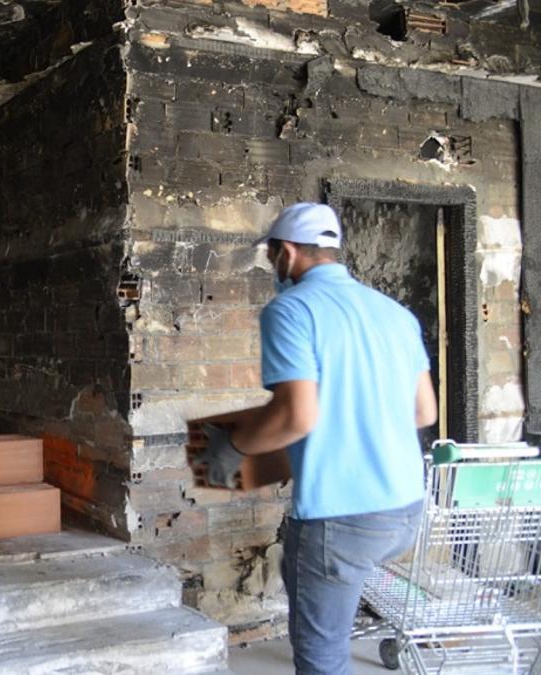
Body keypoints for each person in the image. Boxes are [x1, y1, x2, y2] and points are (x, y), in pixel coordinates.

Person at [194, 202, 438, 674]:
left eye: (270, 257)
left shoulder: (291, 310)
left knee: (322, 660)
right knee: (300, 571)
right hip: (404, 510)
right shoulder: (395, 313)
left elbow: (295, 417)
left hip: (341, 519)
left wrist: (234, 447)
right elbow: (423, 411)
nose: (272, 267)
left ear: (286, 252)